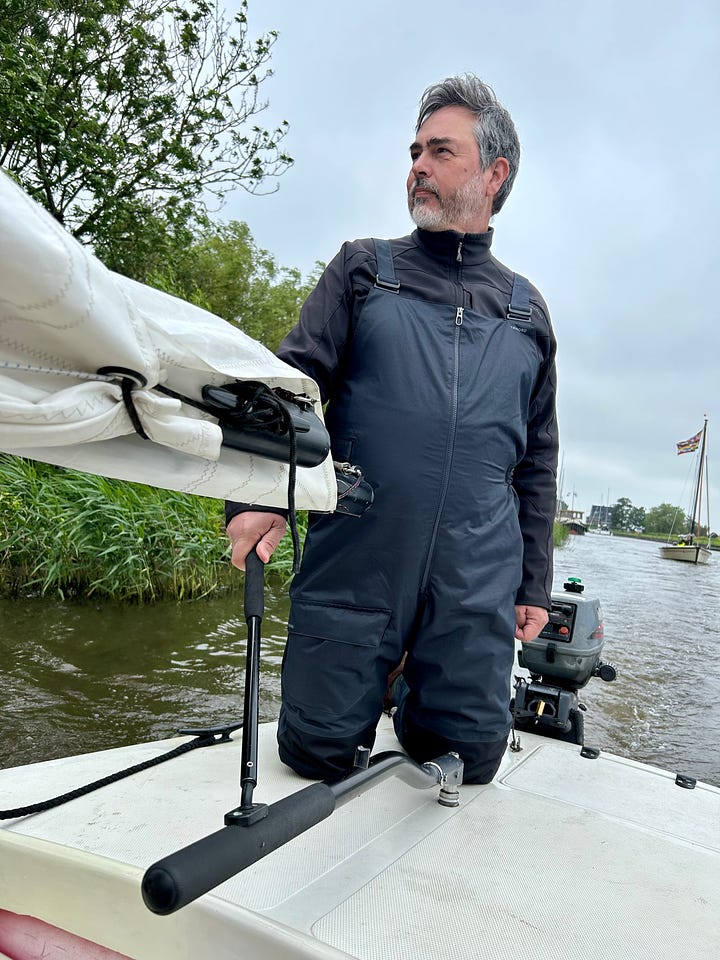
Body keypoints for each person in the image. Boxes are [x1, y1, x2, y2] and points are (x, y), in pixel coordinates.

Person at [226, 74, 558, 785]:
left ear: (494, 174)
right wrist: (258, 497)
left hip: (476, 580)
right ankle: (375, 681)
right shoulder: (362, 271)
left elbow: (536, 463)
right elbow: (290, 389)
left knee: (466, 764)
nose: (417, 167)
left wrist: (532, 580)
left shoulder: (528, 314)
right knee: (312, 757)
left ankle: (415, 686)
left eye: (441, 152)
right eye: (415, 151)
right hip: (358, 563)